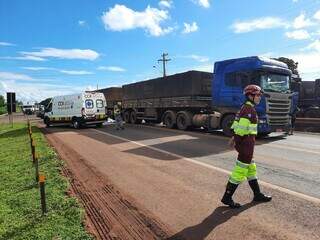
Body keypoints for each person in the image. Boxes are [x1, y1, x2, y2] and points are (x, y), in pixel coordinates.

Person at [221, 85, 272, 208]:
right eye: (258, 95)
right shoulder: (249, 110)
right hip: (246, 145)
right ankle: (227, 197)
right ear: (250, 96)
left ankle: (257, 194)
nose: (260, 97)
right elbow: (242, 130)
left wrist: (234, 139)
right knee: (239, 172)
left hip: (246, 144)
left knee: (251, 170)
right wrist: (237, 141)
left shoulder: (244, 108)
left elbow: (237, 126)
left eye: (260, 95)